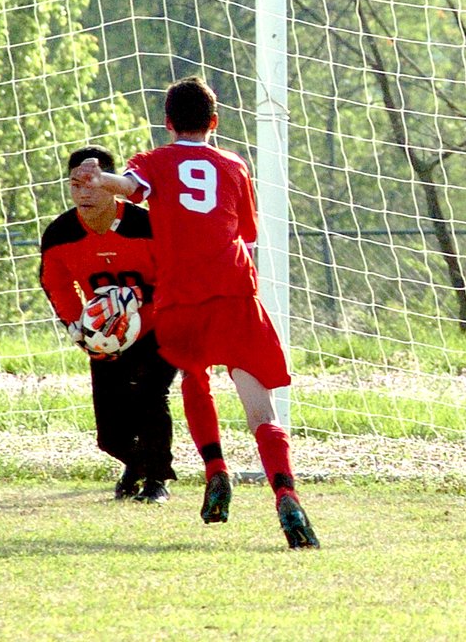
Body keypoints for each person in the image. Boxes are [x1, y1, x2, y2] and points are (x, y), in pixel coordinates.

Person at [74, 76, 320, 549]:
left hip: (181, 295)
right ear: (215, 122)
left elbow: (129, 187)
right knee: (259, 405)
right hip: (233, 289)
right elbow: (247, 234)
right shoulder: (233, 164)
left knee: (193, 375)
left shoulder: (156, 161)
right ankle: (285, 491)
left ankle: (216, 471)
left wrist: (99, 178)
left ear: (167, 124)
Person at [40, 146, 178, 503]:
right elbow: (56, 283)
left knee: (150, 396)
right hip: (106, 337)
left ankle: (156, 481)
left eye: (92, 183)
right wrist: (80, 329)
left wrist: (136, 321)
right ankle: (138, 463)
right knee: (110, 436)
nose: (83, 192)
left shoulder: (146, 225)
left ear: (113, 185)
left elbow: (172, 280)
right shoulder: (60, 233)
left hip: (158, 325)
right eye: (75, 185)